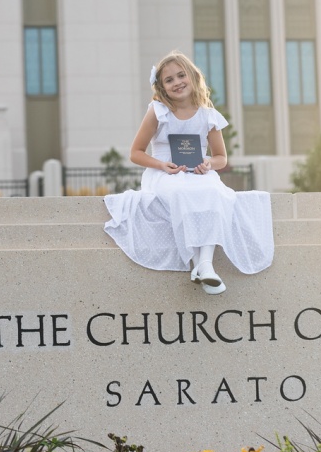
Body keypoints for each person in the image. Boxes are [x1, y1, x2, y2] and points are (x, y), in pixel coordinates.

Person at [104, 51, 274, 294]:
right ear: (162, 87)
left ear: (193, 77)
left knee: (214, 192)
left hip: (199, 173)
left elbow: (221, 157)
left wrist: (208, 164)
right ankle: (200, 265)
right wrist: (162, 165)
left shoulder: (208, 115)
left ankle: (205, 264)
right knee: (181, 192)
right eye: (169, 80)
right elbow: (135, 153)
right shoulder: (158, 111)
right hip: (165, 174)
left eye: (181, 75)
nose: (177, 82)